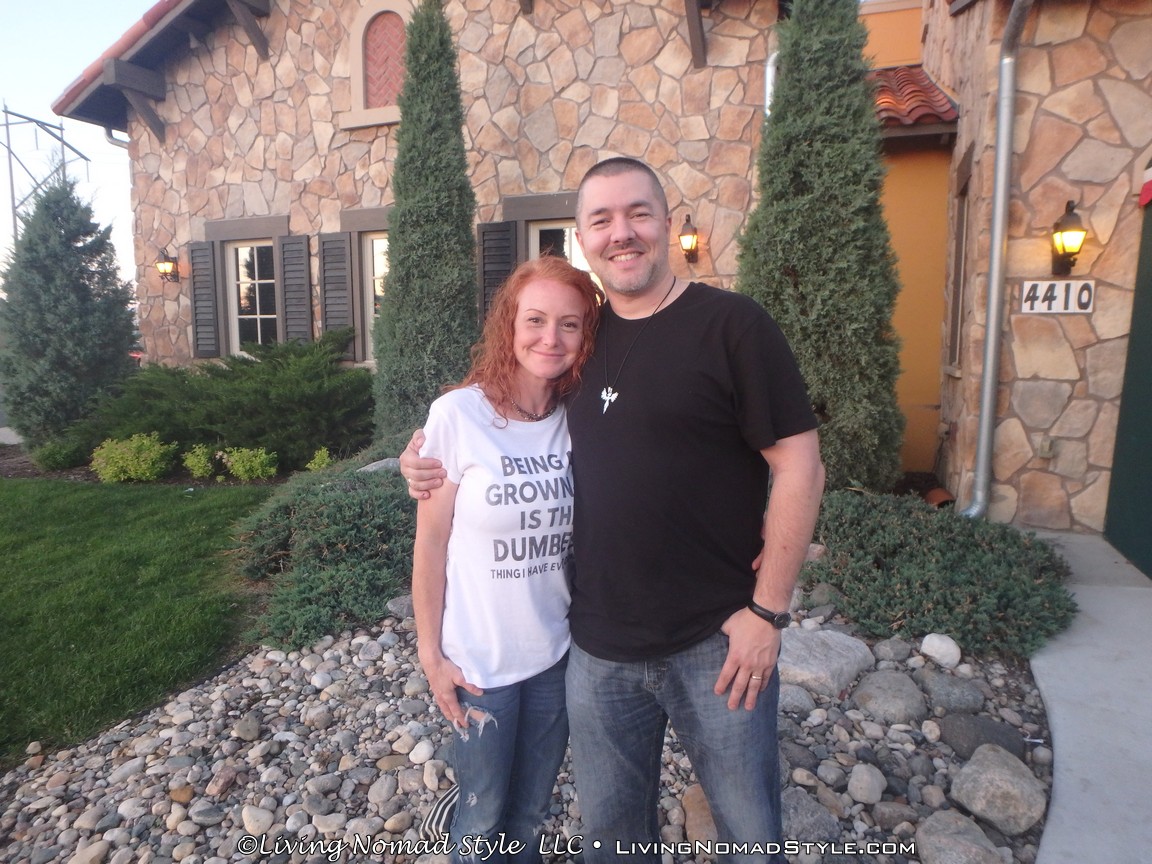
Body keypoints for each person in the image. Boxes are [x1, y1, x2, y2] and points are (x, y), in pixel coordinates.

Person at [404, 157, 824, 864]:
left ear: (667, 223)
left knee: (753, 837)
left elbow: (800, 465)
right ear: (583, 237)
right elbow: (501, 405)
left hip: (717, 642)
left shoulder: (732, 325)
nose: (621, 233)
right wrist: (423, 455)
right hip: (596, 653)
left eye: (638, 214)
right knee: (613, 842)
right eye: (601, 220)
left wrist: (768, 613)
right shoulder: (582, 341)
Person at [411, 255, 601, 864]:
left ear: (586, 336)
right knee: (481, 814)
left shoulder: (579, 418)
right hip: (479, 667)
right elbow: (431, 543)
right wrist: (431, 655)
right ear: (509, 326)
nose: (551, 338)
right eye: (536, 320)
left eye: (570, 324)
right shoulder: (458, 415)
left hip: (555, 657)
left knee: (529, 813)